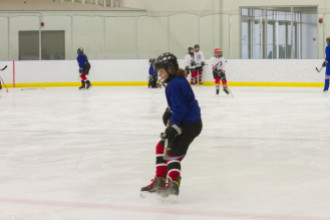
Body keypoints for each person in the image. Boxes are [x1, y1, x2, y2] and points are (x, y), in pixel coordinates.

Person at [141, 52, 202, 197]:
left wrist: (173, 127)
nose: (160, 75)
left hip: (188, 124)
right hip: (187, 121)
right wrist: (169, 110)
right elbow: (180, 103)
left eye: (162, 71)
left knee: (173, 153)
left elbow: (181, 108)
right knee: (162, 146)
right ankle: (160, 181)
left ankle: (173, 184)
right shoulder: (177, 81)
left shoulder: (174, 85)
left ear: (170, 68)